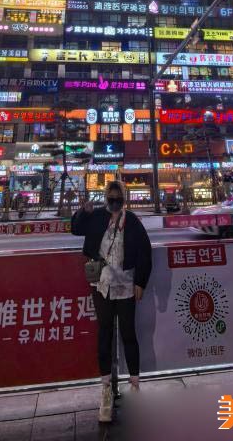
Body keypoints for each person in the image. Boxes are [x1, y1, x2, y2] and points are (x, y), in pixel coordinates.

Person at [71, 180, 152, 422]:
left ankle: (135, 386)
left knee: (128, 334)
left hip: (126, 285)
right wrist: (82, 212)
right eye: (111, 197)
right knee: (105, 333)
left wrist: (141, 282)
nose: (115, 202)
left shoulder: (132, 221)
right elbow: (75, 228)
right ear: (106, 198)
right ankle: (106, 389)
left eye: (118, 198)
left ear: (124, 199)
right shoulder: (96, 216)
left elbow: (145, 251)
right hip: (102, 285)